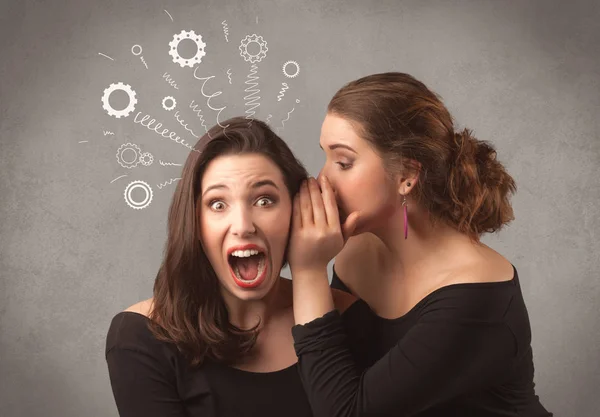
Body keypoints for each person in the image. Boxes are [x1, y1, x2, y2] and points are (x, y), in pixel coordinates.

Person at [288, 73, 553, 416]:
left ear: (407, 175)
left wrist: (308, 271)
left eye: (343, 162)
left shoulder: (476, 293)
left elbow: (346, 411)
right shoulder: (357, 250)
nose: (323, 179)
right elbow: (328, 373)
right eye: (325, 157)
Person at [105, 117, 355, 417]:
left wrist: (310, 271)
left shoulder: (351, 318)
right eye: (218, 204)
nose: (243, 226)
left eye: (264, 200)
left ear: (298, 211)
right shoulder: (140, 338)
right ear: (194, 223)